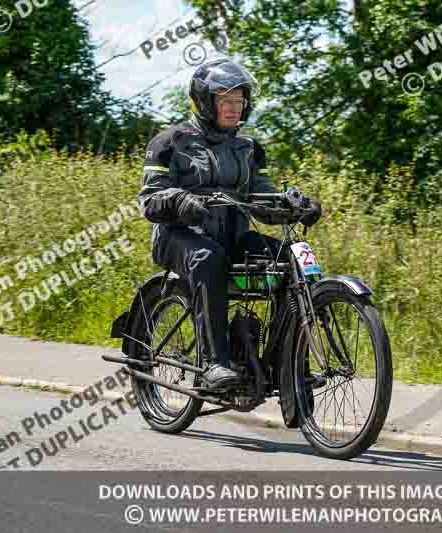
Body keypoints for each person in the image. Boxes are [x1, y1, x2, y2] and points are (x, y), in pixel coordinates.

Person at [137, 58, 322, 389]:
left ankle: (288, 361)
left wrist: (294, 204)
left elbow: (262, 197)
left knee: (291, 258)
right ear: (206, 102)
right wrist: (179, 200)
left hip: (232, 237)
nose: (234, 108)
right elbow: (149, 200)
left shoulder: (247, 148)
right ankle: (213, 363)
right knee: (208, 258)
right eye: (225, 101)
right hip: (180, 237)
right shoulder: (169, 143)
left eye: (239, 101)